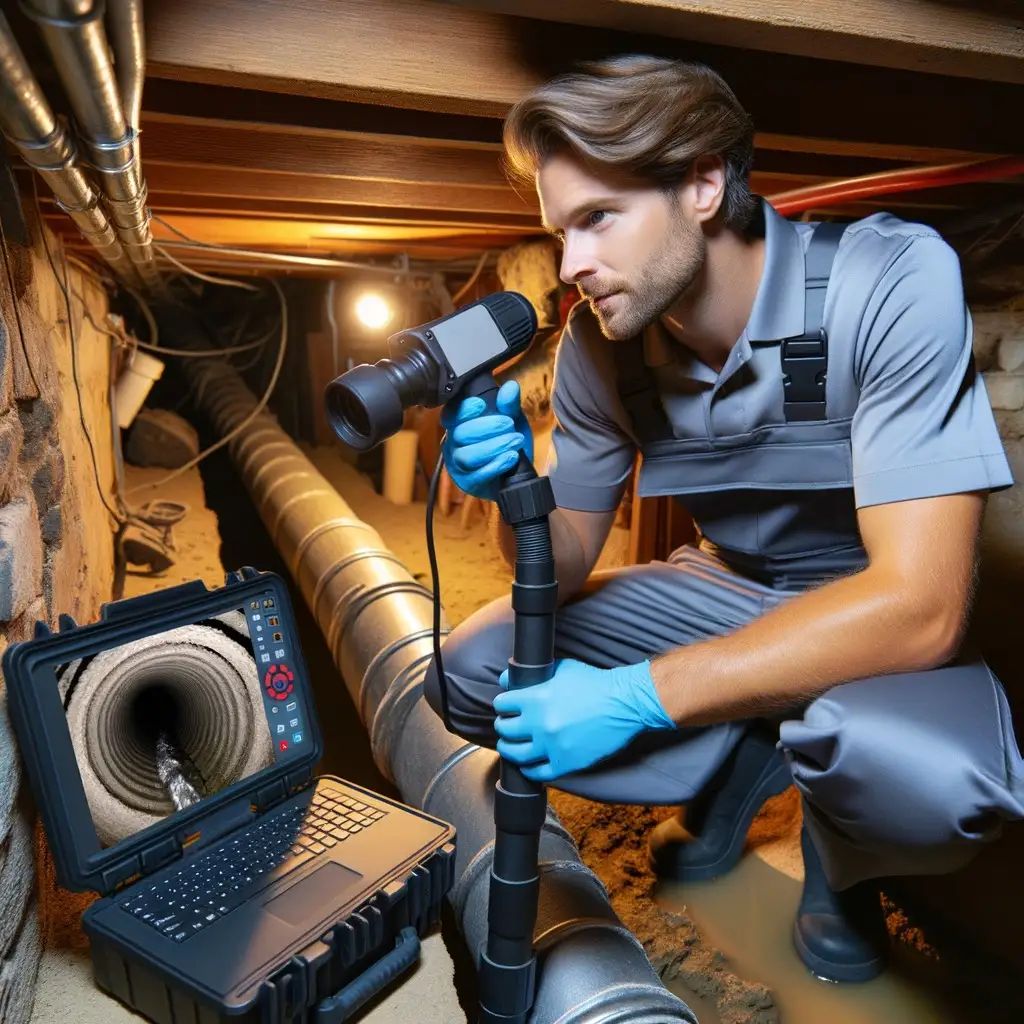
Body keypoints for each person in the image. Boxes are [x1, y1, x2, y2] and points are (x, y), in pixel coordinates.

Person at [423, 54, 1024, 984]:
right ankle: (744, 756)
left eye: (598, 219)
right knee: (472, 670)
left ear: (704, 183)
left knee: (934, 784)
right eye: (559, 229)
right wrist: (517, 494)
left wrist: (640, 695)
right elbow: (564, 558)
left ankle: (841, 856)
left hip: (874, 609)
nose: (571, 262)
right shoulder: (599, 344)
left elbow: (922, 608)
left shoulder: (887, 282)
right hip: (727, 587)